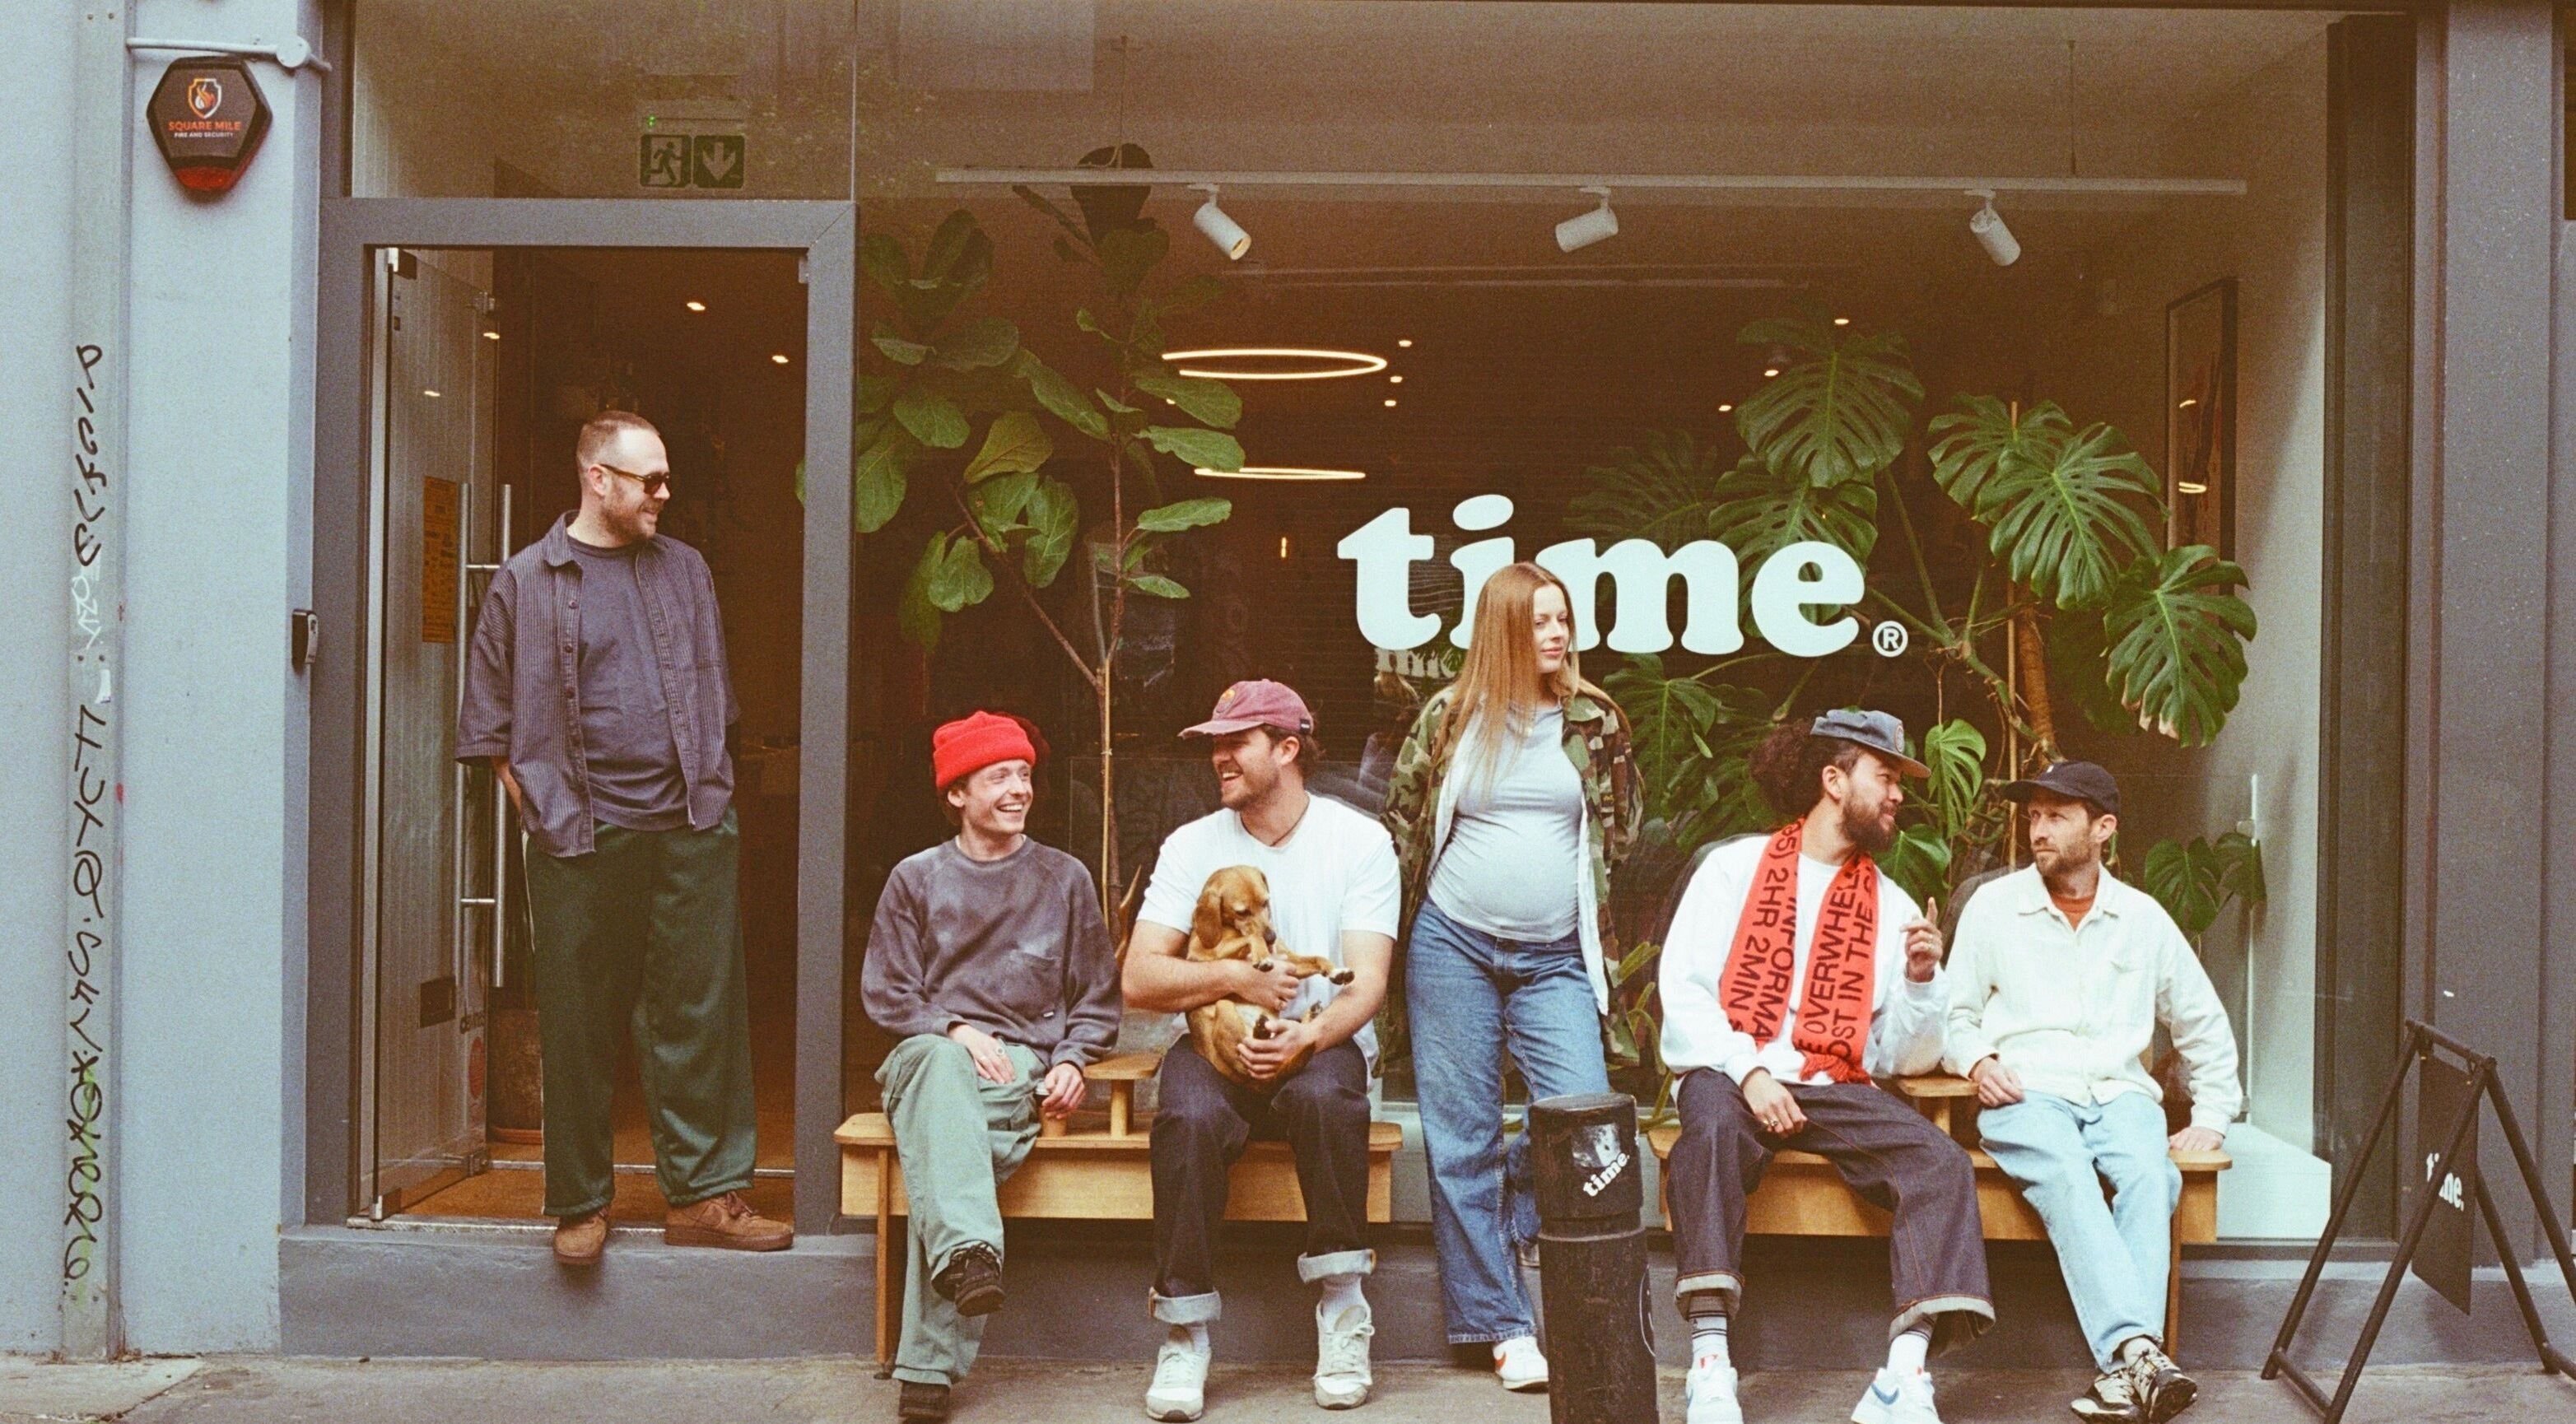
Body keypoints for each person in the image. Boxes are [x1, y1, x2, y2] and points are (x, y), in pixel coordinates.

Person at [458, 408, 790, 1265]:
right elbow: (489, 727)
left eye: (667, 476)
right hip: (580, 834)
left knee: (701, 1013)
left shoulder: (685, 570)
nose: (664, 494)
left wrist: (711, 801)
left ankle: (708, 1196)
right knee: (578, 1019)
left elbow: (717, 689)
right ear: (597, 478)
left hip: (688, 824)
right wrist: (545, 808)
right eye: (650, 479)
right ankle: (578, 1202)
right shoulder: (526, 582)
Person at [1659, 710, 1991, 1424]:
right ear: (1833, 780)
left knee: (1940, 1164)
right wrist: (1747, 1073)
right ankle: (1710, 1361)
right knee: (1711, 1130)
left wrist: (1923, 979)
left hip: (1831, 1082)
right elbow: (1683, 992)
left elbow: (1901, 1059)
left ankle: (1901, 1378)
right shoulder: (1733, 869)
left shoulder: (1893, 906)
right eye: (1886, 776)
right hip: (1732, 1069)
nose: (1899, 794)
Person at [1379, 562, 1640, 1392]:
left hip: (1556, 954)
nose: (1558, 633)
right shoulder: (1450, 718)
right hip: (1449, 942)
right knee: (1461, 1137)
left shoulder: (1595, 719)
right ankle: (1501, 1323)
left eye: (1564, 618)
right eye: (1539, 621)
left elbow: (1621, 831)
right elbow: (1403, 825)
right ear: (1502, 630)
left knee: (1582, 1116)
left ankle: (1507, 1223)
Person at [1123, 681, 1400, 1421]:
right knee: (1185, 1116)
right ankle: (1183, 1330)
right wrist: (1236, 979)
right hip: (1215, 1043)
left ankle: (1343, 1307)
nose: (1219, 757)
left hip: (1317, 1038)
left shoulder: (1359, 841)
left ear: (1286, 749)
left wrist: (1304, 1036)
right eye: (1214, 743)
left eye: (1235, 742)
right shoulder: (1192, 845)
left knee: (1325, 1095)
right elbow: (1140, 977)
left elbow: (1365, 980)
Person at [1945, 761, 2240, 1424]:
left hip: (2119, 1094)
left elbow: (2200, 1019)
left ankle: (2122, 1372)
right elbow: (1952, 1013)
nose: (2037, 829)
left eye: (2055, 816)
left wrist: (2214, 1114)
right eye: (2032, 816)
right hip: (2026, 1092)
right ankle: (2141, 1350)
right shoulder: (1994, 907)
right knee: (2069, 1177)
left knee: (2150, 1177)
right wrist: (1978, 1060)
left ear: (2102, 828)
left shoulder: (2142, 918)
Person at [859, 711, 1120, 1423]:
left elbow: (1096, 1000)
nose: (1019, 789)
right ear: (956, 793)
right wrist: (952, 1027)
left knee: (947, 1151)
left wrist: (1071, 1059)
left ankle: (930, 1359)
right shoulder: (915, 879)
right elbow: (886, 993)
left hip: (1016, 1073)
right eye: (999, 775)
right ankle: (970, 1259)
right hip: (923, 1056)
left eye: (1025, 774)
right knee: (942, 1080)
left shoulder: (1064, 879)